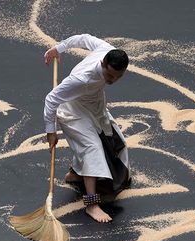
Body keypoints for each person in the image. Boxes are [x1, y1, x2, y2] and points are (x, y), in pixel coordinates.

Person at [43, 34, 130, 223]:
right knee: (92, 149)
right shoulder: (82, 79)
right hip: (72, 110)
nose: (113, 80)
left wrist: (59, 48)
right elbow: (51, 100)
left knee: (115, 140)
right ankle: (91, 204)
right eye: (109, 75)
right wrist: (51, 132)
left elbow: (82, 38)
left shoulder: (107, 49)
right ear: (102, 63)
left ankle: (76, 174)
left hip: (93, 105)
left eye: (118, 77)